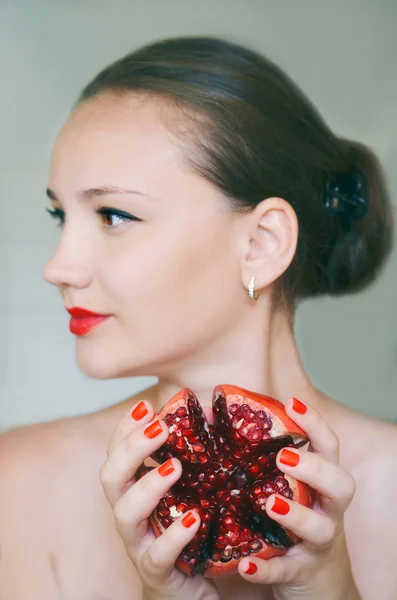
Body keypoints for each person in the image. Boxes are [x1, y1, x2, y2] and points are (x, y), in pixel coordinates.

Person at [0, 35, 396, 600]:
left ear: (261, 243)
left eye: (114, 215)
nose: (59, 267)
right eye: (60, 216)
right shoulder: (22, 484)